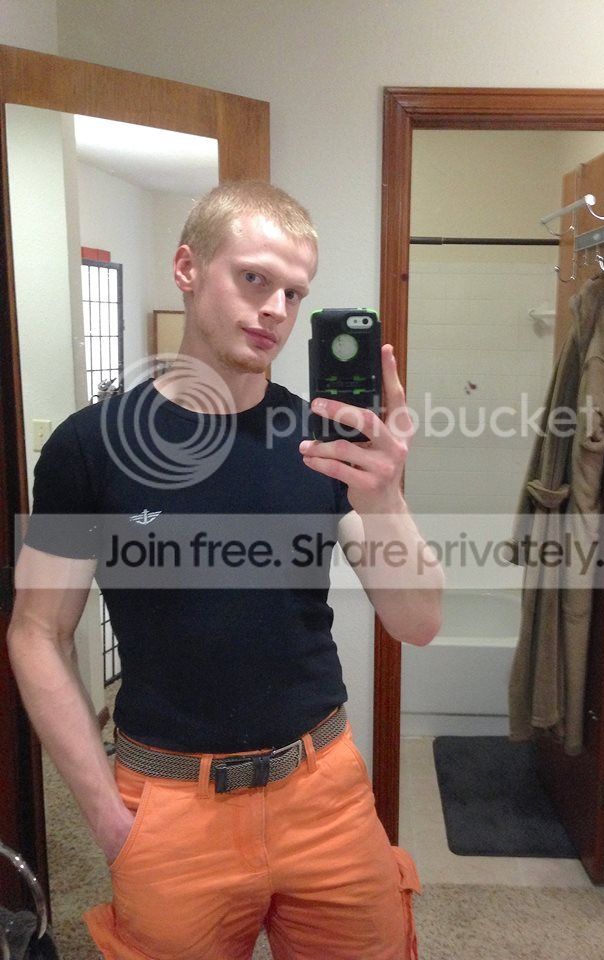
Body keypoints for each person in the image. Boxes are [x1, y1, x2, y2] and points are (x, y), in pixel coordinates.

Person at [7, 180, 444, 959]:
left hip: (325, 793)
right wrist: (104, 815)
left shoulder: (321, 442)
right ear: (187, 268)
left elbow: (418, 622)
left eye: (293, 293)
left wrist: (384, 497)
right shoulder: (90, 446)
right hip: (170, 801)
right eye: (253, 279)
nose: (275, 308)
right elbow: (36, 632)